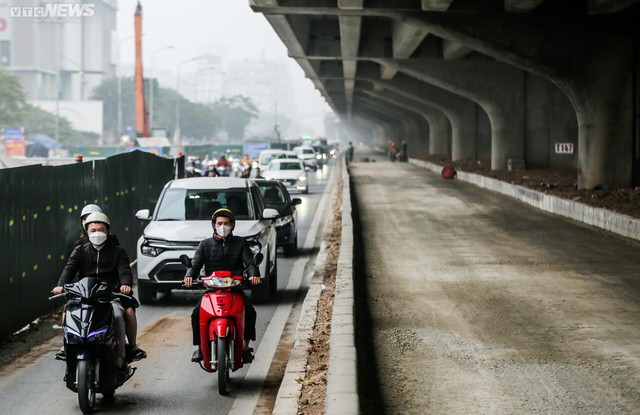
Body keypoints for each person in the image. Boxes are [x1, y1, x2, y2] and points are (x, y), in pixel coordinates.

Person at [52, 212, 147, 365]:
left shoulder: (118, 251)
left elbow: (124, 270)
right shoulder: (80, 251)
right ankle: (67, 345)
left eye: (101, 229)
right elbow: (68, 270)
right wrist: (60, 286)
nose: (97, 233)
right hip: (84, 293)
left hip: (110, 294)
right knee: (67, 313)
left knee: (126, 312)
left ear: (108, 231)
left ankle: (131, 347)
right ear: (86, 232)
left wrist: (126, 284)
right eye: (93, 230)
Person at [183, 208, 261, 363]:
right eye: (219, 223)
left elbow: (249, 262)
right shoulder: (205, 245)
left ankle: (245, 347)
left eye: (226, 223)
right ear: (214, 225)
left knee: (250, 312)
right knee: (196, 314)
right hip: (211, 291)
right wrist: (189, 276)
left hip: (235, 290)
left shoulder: (240, 243)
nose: (223, 226)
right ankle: (199, 348)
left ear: (232, 225)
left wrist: (253, 274)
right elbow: (195, 264)